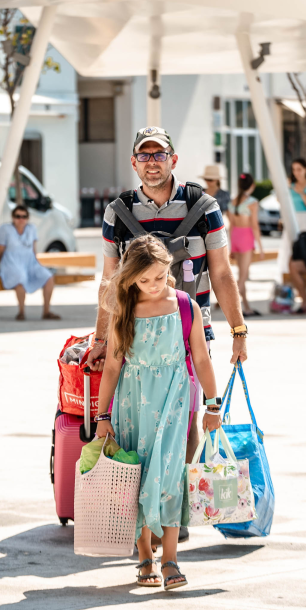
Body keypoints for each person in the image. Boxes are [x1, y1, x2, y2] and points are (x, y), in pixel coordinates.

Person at [88, 126, 247, 544]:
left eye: (160, 154)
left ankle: (171, 510)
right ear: (134, 163)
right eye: (145, 154)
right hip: (133, 335)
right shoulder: (117, 212)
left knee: (186, 426)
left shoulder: (204, 206)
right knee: (135, 428)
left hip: (191, 330)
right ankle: (144, 518)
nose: (153, 161)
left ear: (173, 160)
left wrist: (239, 328)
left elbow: (223, 272)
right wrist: (100, 339)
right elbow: (108, 284)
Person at [94, 235, 221, 590]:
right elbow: (113, 368)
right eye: (143, 280)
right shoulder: (124, 309)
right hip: (133, 403)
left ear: (170, 269)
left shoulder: (185, 306)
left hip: (174, 403)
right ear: (130, 278)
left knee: (169, 476)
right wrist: (102, 418)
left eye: (160, 276)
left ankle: (170, 559)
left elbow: (201, 359)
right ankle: (144, 557)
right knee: (137, 476)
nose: (152, 286)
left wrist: (213, 405)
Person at [0, 205, 60, 321]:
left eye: (24, 216)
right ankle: (21, 312)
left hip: (30, 262)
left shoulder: (31, 228)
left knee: (48, 277)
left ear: (28, 218)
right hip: (11, 263)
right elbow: (0, 250)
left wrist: (37, 265)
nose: (21, 219)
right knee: (19, 277)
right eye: (18, 216)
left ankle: (46, 312)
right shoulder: (4, 229)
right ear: (12, 217)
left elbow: (33, 249)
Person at [229, 173, 264, 317]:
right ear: (252, 186)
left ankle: (247, 307)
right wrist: (261, 248)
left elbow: (231, 226)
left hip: (236, 237)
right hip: (246, 237)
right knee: (243, 276)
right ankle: (234, 309)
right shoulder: (252, 202)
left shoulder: (233, 202)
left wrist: (231, 246)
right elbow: (254, 226)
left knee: (241, 275)